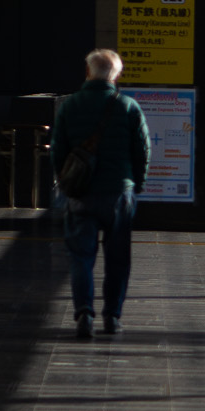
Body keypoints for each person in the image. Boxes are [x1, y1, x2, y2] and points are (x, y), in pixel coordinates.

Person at [52, 48, 150, 339]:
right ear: (116, 75)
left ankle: (84, 313)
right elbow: (143, 150)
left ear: (88, 73)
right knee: (118, 258)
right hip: (119, 193)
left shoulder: (70, 106)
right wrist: (137, 183)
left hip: (81, 194)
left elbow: (58, 149)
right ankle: (113, 317)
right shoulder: (128, 107)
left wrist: (66, 182)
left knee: (81, 256)